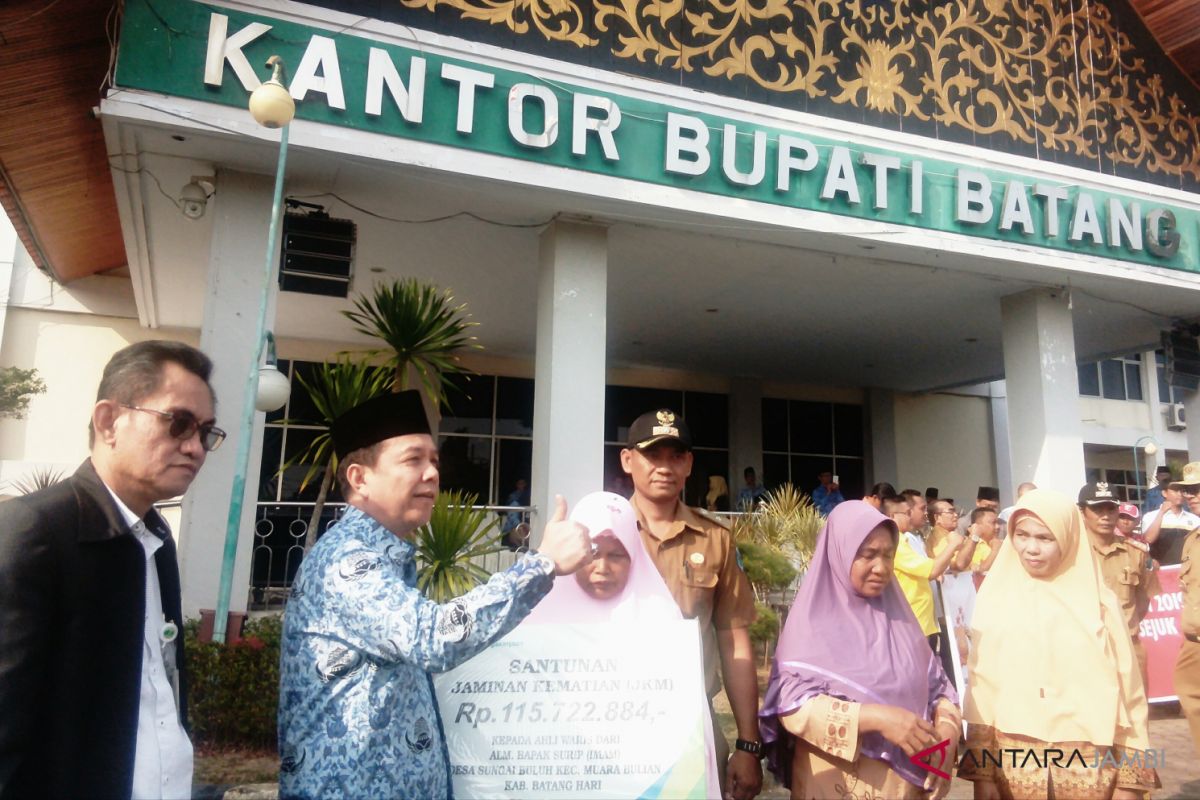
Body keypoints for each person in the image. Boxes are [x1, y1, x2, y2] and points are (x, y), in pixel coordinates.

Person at [277, 391, 591, 799]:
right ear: (359, 478)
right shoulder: (348, 560)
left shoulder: (382, 556)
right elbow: (432, 637)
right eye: (413, 460)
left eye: (434, 461)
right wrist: (542, 565)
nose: (431, 474)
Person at [0, 340, 223, 798]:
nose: (195, 447)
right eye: (178, 422)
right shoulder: (38, 530)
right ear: (109, 422)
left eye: (205, 432)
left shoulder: (154, 541)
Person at [959, 489, 1159, 799]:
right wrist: (982, 777)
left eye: (1045, 538)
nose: (1031, 549)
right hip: (1014, 769)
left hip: (1090, 768)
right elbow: (982, 692)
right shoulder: (995, 599)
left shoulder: (1099, 604)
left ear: (1067, 538)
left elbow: (1130, 697)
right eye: (1022, 535)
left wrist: (1129, 784)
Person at [519, 491, 722, 796]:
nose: (602, 567)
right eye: (591, 552)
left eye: (617, 555)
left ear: (635, 556)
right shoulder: (537, 621)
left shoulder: (661, 621)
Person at [760, 501, 960, 800]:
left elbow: (939, 689)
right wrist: (877, 718)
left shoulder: (901, 621)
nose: (881, 568)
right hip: (836, 785)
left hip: (906, 789)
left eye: (887, 556)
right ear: (840, 553)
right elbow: (793, 707)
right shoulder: (810, 628)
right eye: (867, 555)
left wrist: (948, 730)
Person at [620, 409, 762, 800]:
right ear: (628, 460)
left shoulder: (715, 539)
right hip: (610, 727)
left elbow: (735, 642)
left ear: (688, 465)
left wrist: (748, 744)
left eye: (676, 456)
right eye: (653, 455)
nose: (665, 466)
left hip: (691, 727)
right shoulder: (601, 532)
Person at [1079, 481, 1159, 692]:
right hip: (1084, 647)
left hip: (1128, 646)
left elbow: (1143, 602)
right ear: (1081, 512)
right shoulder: (1070, 554)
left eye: (1111, 509)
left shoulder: (1136, 552)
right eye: (1097, 509)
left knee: (1136, 718)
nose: (1105, 516)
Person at [890, 498, 963, 652]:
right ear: (892, 516)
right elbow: (931, 570)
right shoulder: (896, 542)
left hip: (923, 619)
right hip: (912, 620)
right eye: (907, 513)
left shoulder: (908, 539)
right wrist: (953, 545)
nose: (912, 516)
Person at [1173, 462, 1200, 758]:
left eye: (1197, 489)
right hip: (1194, 645)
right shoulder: (1191, 540)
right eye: (1188, 490)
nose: (1192, 496)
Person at [1141, 477, 1200, 565]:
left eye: (1182, 491)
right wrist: (1161, 513)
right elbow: (1149, 539)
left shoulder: (1194, 518)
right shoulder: (1151, 516)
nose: (1179, 494)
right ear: (1164, 493)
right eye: (1175, 490)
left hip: (1186, 570)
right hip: (1162, 570)